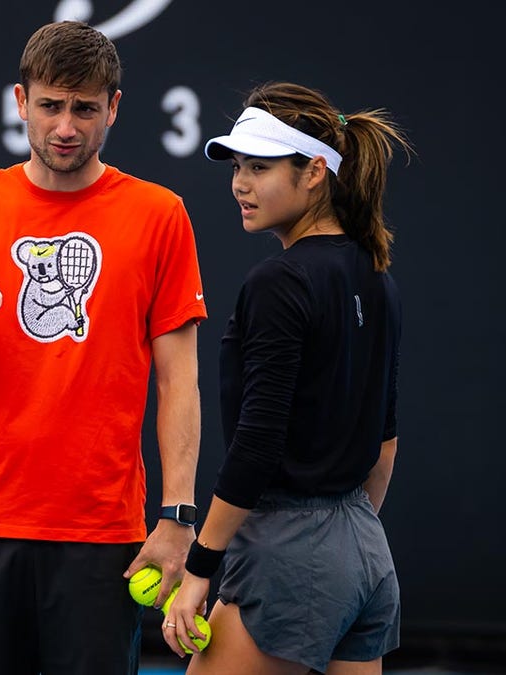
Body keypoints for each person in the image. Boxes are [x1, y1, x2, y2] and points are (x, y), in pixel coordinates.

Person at [0, 20, 208, 675]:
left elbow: (179, 380)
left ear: (113, 109)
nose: (66, 126)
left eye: (85, 108)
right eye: (50, 106)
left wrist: (178, 516)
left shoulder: (160, 215)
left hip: (102, 538)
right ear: (20, 102)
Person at [162, 82, 412, 674]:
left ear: (316, 172)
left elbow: (257, 442)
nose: (240, 184)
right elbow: (386, 440)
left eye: (261, 167)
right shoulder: (378, 278)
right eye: (238, 167)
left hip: (292, 555)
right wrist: (342, 546)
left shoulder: (278, 282)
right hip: (366, 554)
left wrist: (200, 568)